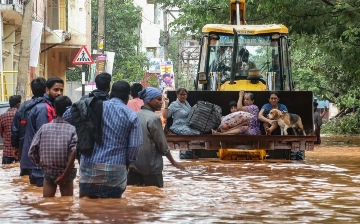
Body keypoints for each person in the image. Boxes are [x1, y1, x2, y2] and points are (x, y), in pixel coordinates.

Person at [79, 80, 143, 198]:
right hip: (116, 168)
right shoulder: (131, 115)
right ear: (128, 95)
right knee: (114, 209)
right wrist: (127, 164)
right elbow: (135, 146)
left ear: (110, 91)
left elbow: (69, 115)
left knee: (86, 208)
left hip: (89, 166)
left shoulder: (94, 106)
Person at [127, 87, 185, 188]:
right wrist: (173, 162)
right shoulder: (154, 118)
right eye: (158, 99)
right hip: (152, 168)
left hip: (134, 167)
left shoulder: (134, 115)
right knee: (156, 196)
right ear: (149, 100)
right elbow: (162, 144)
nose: (161, 102)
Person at [28, 96, 77, 197]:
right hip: (66, 173)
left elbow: (31, 152)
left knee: (47, 205)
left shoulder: (43, 128)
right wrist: (64, 174)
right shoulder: (72, 129)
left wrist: (42, 164)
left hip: (49, 171)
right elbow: (74, 151)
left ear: (54, 110)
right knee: (67, 206)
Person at [20, 77, 64, 187]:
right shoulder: (43, 108)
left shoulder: (47, 106)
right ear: (47, 90)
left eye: (61, 90)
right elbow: (45, 136)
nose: (59, 93)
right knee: (45, 193)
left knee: (38, 197)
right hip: (39, 162)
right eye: (56, 90)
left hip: (37, 162)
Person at [11, 77, 46, 175]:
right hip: (44, 152)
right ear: (46, 89)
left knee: (26, 180)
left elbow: (15, 129)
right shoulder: (49, 105)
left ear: (32, 90)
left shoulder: (23, 107)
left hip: (24, 150)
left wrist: (16, 146)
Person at [0, 95, 21, 164]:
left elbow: (1, 133)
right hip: (19, 152)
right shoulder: (21, 115)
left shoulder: (2, 116)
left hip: (7, 152)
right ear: (18, 104)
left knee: (6, 171)